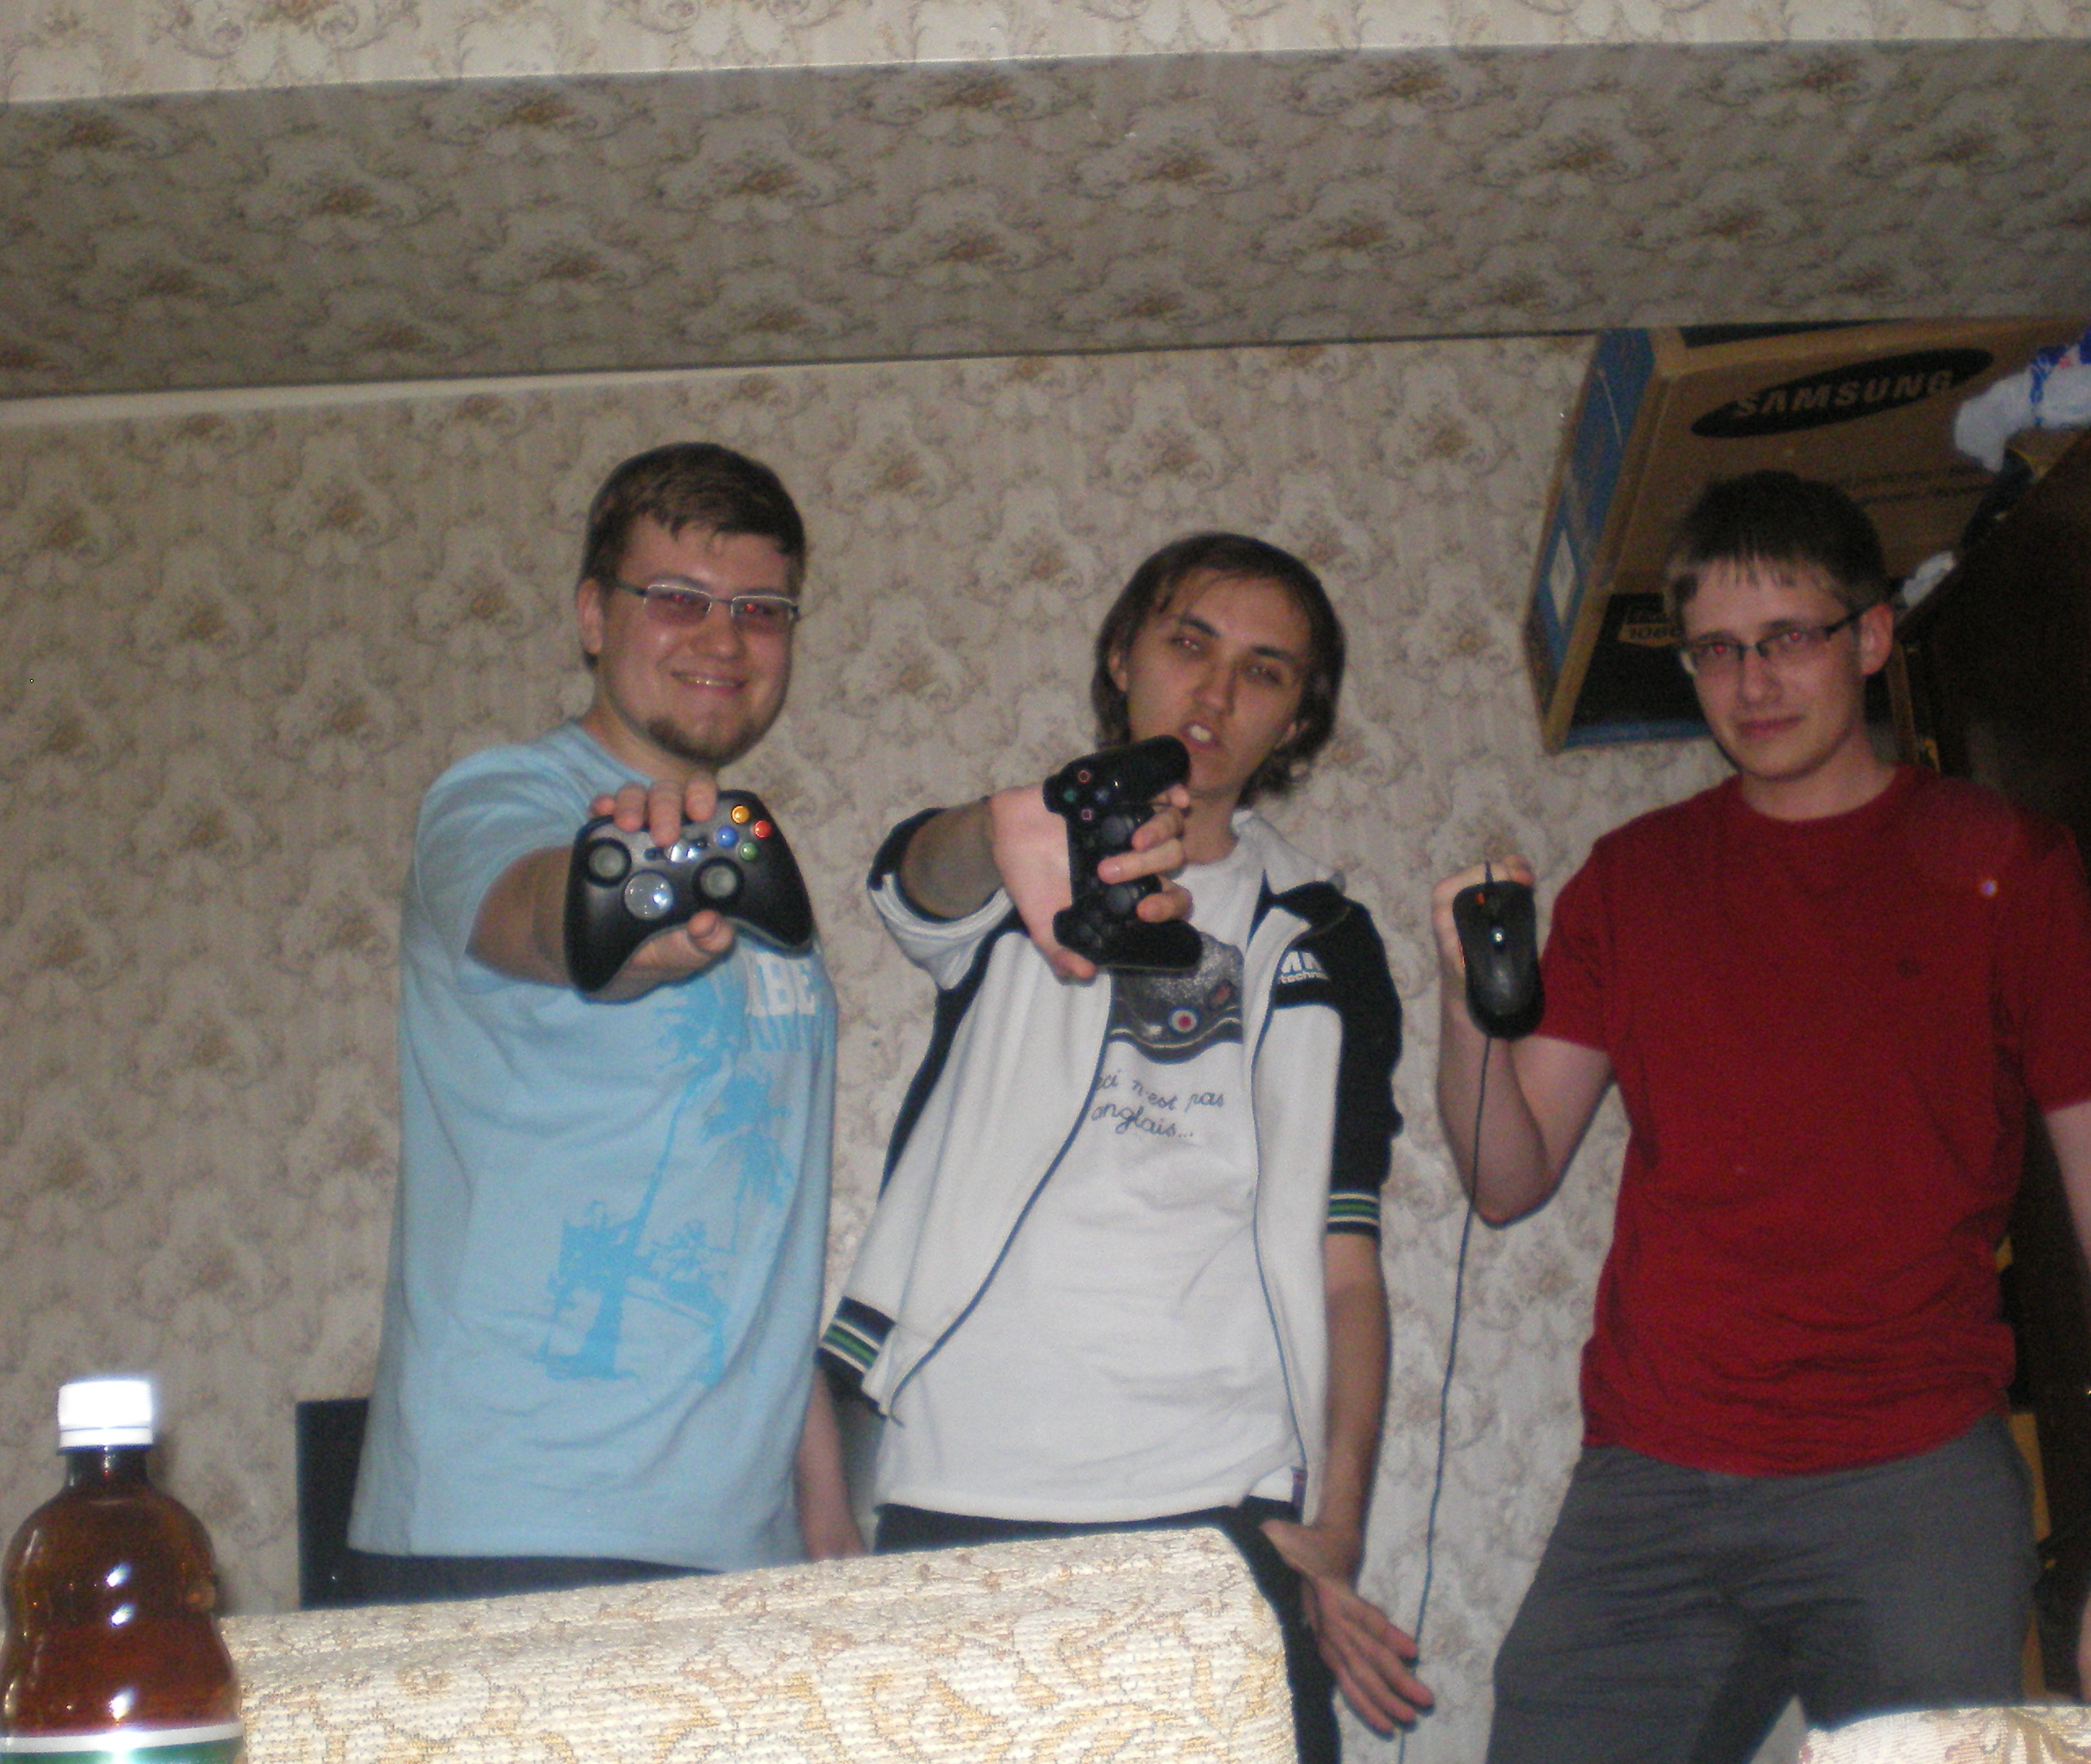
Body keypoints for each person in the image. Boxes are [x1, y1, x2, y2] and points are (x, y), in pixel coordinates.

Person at [1431, 471, 2091, 1762]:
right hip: (1656, 1474)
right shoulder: (1632, 880)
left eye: (1788, 637)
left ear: (1873, 636)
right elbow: (1507, 1178)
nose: (1753, 683)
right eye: (1717, 651)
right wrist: (1466, 1007)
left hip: (1913, 1476)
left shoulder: (2005, 863)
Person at [820, 533, 1434, 1760]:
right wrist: (1010, 825)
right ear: (1123, 657)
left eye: (1264, 672)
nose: (1215, 692)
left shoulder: (1322, 938)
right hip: (964, 1481)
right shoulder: (1024, 858)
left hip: (1219, 1503)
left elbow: (1345, 1264)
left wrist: (1339, 1527)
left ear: (1296, 719)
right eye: (1189, 643)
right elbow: (915, 879)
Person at [347, 441, 858, 1599]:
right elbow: (539, 915)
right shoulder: (495, 800)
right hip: (511, 1521)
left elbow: (757, 1218)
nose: (723, 639)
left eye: (762, 609)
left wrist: (823, 1508)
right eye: (677, 598)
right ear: (592, 615)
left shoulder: (756, 886)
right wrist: (616, 912)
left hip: (737, 1539)